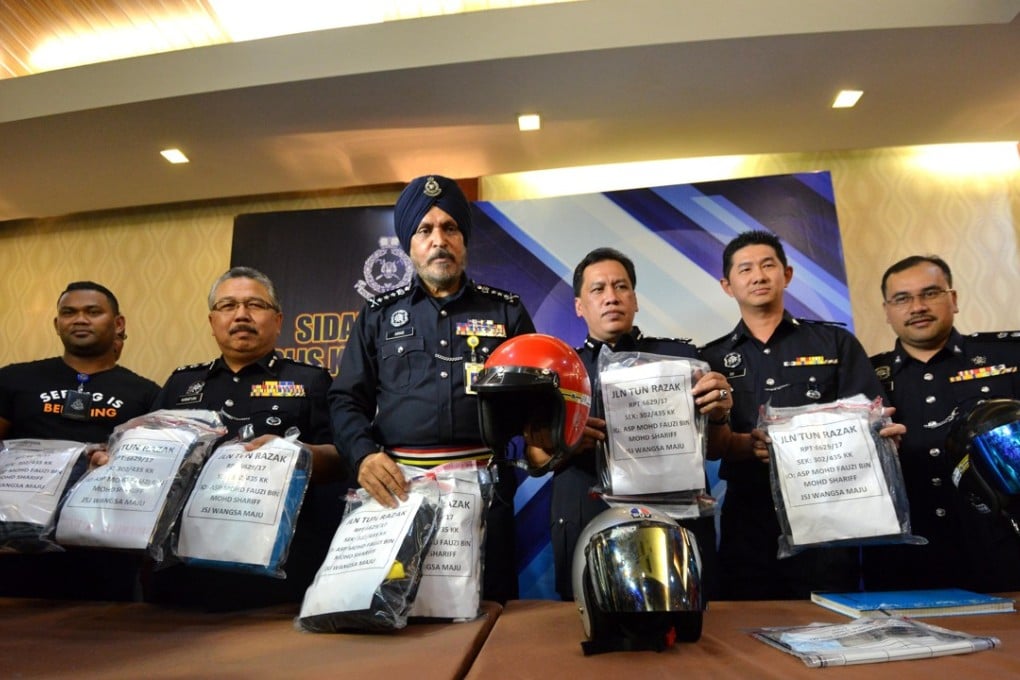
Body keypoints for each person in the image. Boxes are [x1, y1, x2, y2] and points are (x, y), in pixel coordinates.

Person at [329, 174, 536, 603]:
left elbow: (533, 405)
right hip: (399, 495)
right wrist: (363, 455)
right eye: (425, 230)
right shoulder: (378, 316)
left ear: (464, 240)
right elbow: (346, 400)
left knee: (490, 615)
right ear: (409, 245)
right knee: (400, 614)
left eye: (450, 228)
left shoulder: (507, 311)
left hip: (485, 496)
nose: (438, 239)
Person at [700, 230, 902, 600]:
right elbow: (710, 448)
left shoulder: (835, 344)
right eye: (745, 269)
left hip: (827, 514)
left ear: (787, 275)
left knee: (829, 617)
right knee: (747, 627)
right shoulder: (710, 360)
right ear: (728, 285)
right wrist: (749, 446)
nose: (758, 276)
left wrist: (883, 433)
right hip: (748, 514)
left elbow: (873, 419)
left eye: (768, 265)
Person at [524, 247, 732, 600]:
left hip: (674, 524)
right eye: (598, 289)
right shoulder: (556, 371)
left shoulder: (682, 360)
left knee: (688, 636)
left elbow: (717, 447)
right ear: (579, 306)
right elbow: (534, 460)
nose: (611, 298)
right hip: (586, 521)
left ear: (635, 299)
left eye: (621, 287)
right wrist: (565, 442)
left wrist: (721, 411)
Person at [146, 266, 346, 609]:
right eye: (228, 306)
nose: (241, 315)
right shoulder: (181, 385)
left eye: (255, 305)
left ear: (278, 320)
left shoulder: (311, 381)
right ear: (212, 322)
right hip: (183, 570)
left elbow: (343, 457)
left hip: (278, 570)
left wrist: (295, 455)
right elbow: (150, 457)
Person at [864, 255, 1020, 592]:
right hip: (906, 556)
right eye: (902, 299)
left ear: (954, 299)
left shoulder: (1007, 358)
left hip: (1000, 546)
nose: (917, 306)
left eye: (930, 293)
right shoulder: (864, 377)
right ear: (887, 311)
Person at [0, 281, 159, 600]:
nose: (80, 319)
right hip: (17, 544)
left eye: (93, 312)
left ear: (118, 324)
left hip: (102, 544)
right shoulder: (13, 378)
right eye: (68, 312)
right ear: (57, 324)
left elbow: (150, 471)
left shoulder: (146, 393)